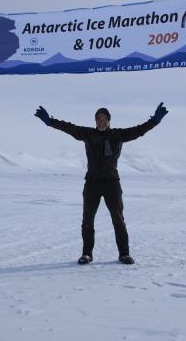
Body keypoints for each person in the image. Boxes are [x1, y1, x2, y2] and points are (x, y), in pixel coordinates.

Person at [34, 103, 168, 265]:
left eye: (104, 118)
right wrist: (50, 121)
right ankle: (87, 254)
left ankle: (124, 254)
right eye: (99, 118)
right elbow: (69, 128)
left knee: (118, 219)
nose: (101, 121)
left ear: (109, 120)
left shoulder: (119, 135)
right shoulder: (88, 134)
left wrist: (154, 120)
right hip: (92, 183)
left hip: (112, 182)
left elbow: (138, 130)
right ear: (95, 121)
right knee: (88, 219)